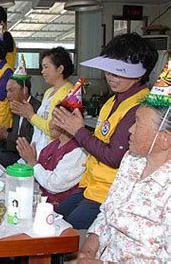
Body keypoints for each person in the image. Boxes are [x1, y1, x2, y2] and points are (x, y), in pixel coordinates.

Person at [53, 33, 158, 229]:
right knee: (54, 218)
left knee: (64, 232)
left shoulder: (140, 106)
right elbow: (102, 140)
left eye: (118, 72)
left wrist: (79, 131)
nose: (111, 76)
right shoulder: (112, 101)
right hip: (91, 186)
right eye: (108, 70)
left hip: (109, 194)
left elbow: (114, 156)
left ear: (141, 72)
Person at [76, 66, 170, 262]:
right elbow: (106, 212)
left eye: (137, 123)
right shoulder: (131, 161)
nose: (130, 130)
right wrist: (88, 250)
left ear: (164, 139)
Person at [16, 79, 88, 209]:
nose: (50, 123)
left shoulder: (78, 152)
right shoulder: (53, 145)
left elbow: (54, 184)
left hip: (56, 209)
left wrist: (32, 162)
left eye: (56, 119)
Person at [11, 47, 74, 156]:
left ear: (60, 69)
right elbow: (40, 121)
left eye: (46, 67)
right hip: (38, 147)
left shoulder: (68, 94)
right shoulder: (49, 92)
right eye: (42, 67)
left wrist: (30, 115)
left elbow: (54, 130)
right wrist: (27, 114)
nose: (42, 71)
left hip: (51, 151)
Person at [0, 75, 40, 168]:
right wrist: (1, 133)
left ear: (24, 90)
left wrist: (6, 135)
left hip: (27, 156)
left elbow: (31, 140)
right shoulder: (16, 106)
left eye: (11, 91)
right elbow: (16, 132)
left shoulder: (36, 108)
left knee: (2, 157)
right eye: (7, 91)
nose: (7, 95)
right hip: (13, 149)